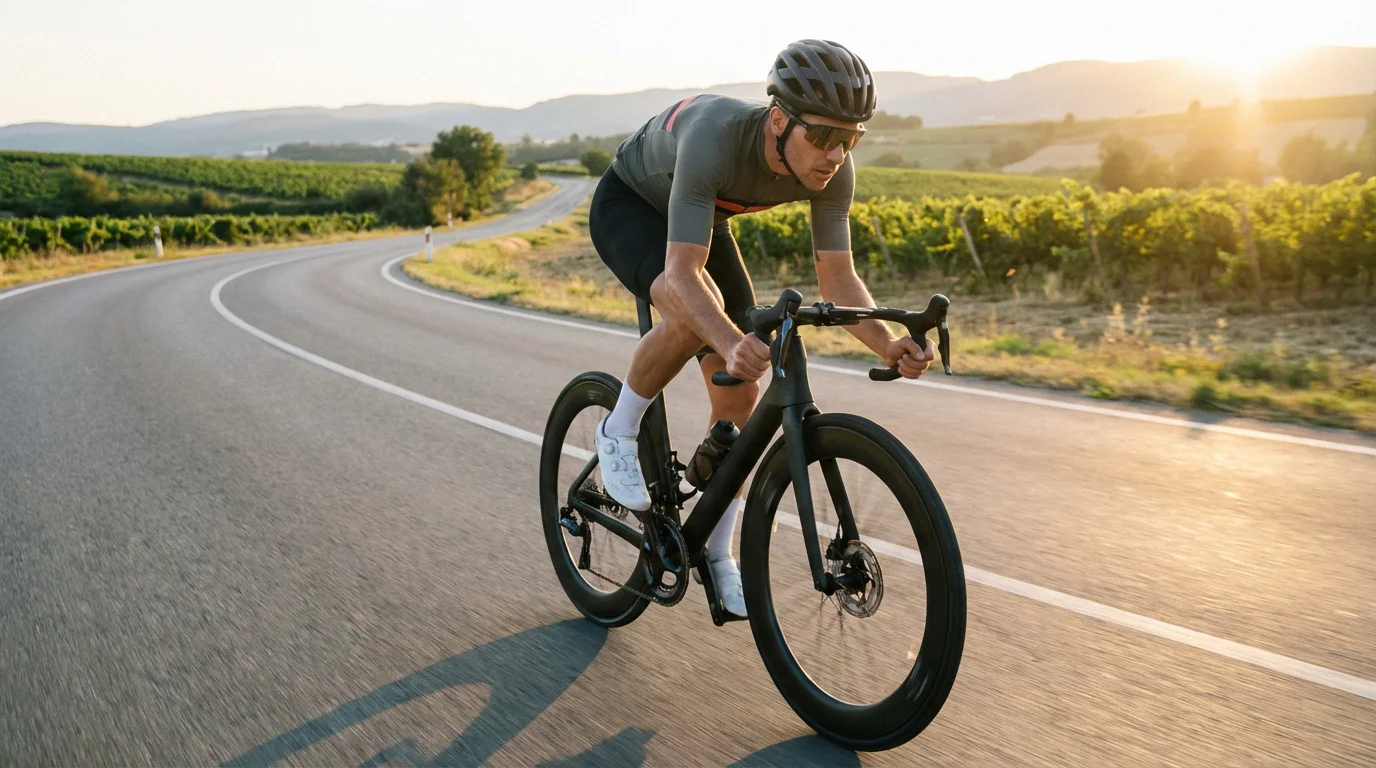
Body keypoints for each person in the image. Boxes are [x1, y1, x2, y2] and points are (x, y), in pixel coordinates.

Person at [588, 39, 935, 617]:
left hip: (702, 215)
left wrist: (889, 342)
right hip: (631, 205)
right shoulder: (715, 137)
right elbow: (680, 273)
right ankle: (617, 429)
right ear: (778, 119)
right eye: (823, 136)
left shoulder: (832, 170)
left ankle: (719, 555)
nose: (835, 153)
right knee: (694, 311)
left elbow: (838, 279)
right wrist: (727, 341)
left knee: (741, 391)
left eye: (850, 139)